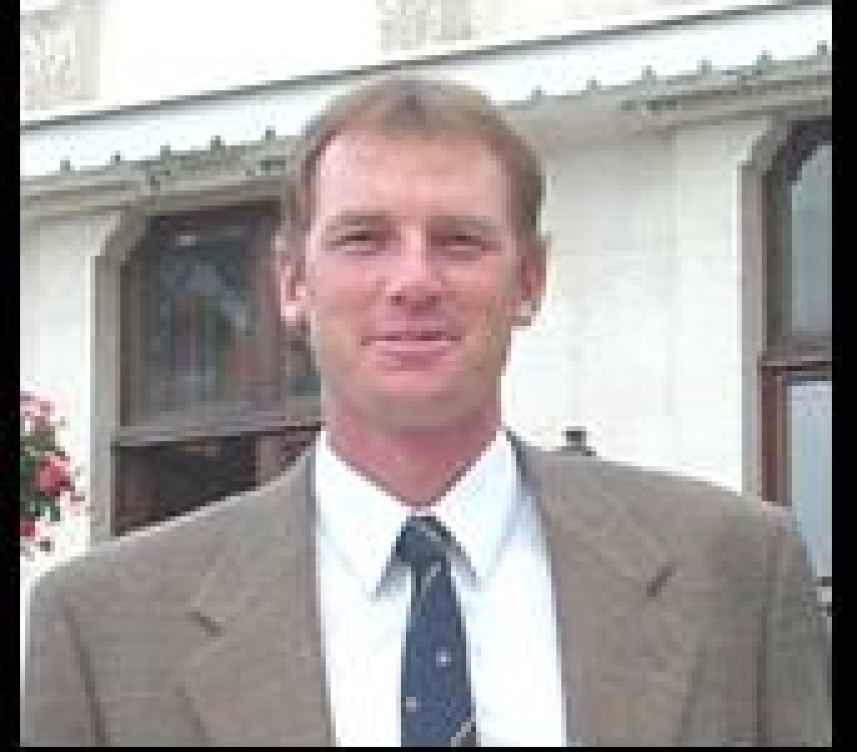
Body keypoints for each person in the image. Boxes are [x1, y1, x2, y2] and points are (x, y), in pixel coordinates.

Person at [22, 75, 831, 747]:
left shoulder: (734, 574)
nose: (412, 282)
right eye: (363, 238)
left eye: (458, 241)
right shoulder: (105, 631)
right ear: (292, 283)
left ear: (529, 280)